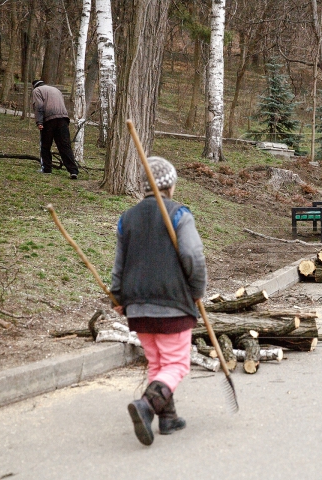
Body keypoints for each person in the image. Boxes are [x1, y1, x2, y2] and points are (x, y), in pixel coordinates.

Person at [110, 157, 207, 446]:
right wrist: (197, 289)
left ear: (144, 188)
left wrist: (118, 298)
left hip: (138, 307)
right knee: (177, 364)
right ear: (171, 186)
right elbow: (193, 256)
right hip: (172, 305)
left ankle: (168, 418)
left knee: (158, 364)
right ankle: (146, 406)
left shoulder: (126, 218)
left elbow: (118, 265)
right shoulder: (179, 215)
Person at [31, 79, 79, 179]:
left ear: (34, 86)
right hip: (63, 119)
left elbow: (38, 106)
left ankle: (47, 168)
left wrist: (39, 122)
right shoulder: (56, 90)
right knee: (65, 146)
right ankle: (73, 171)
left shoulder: (37, 91)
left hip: (49, 120)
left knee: (45, 145)